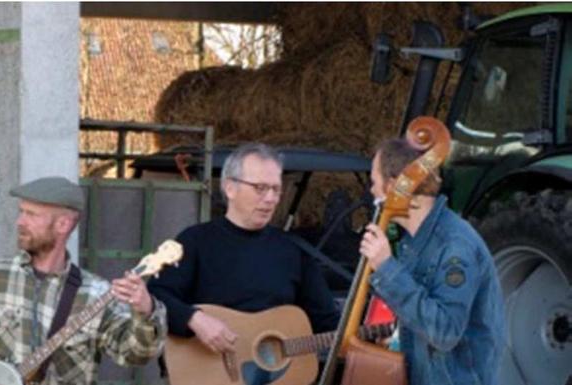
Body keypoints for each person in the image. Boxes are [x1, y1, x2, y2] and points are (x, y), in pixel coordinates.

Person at [0, 176, 167, 385]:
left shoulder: (96, 293)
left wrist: (145, 311)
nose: (20, 221)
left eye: (31, 214)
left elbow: (135, 355)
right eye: (21, 211)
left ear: (62, 224)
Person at [148, 143, 339, 354]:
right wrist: (193, 318)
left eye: (276, 189)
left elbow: (328, 322)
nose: (270, 199)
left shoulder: (294, 251)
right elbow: (156, 296)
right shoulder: (195, 241)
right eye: (260, 188)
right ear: (230, 187)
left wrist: (367, 339)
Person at [360, 138, 504, 385]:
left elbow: (445, 331)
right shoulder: (414, 242)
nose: (372, 191)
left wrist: (386, 267)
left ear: (396, 186)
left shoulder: (455, 246)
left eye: (374, 183)